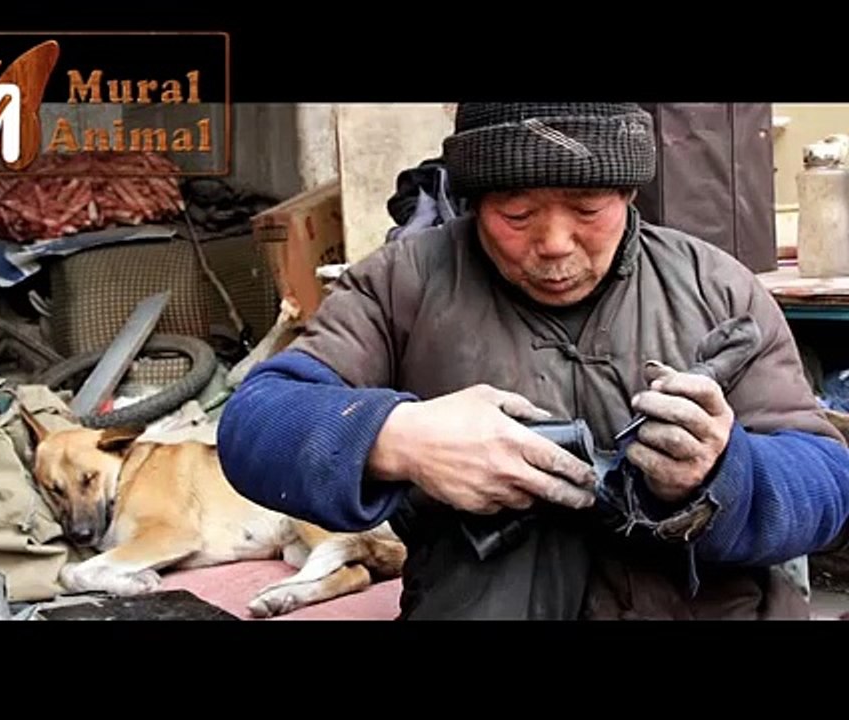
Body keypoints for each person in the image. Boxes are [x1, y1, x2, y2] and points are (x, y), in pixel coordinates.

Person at [217, 103, 849, 620]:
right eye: (515, 213)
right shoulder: (402, 284)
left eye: (587, 207)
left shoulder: (716, 286)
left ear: (628, 191)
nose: (553, 244)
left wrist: (722, 475)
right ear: (473, 199)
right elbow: (254, 425)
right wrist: (394, 437)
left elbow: (827, 479)